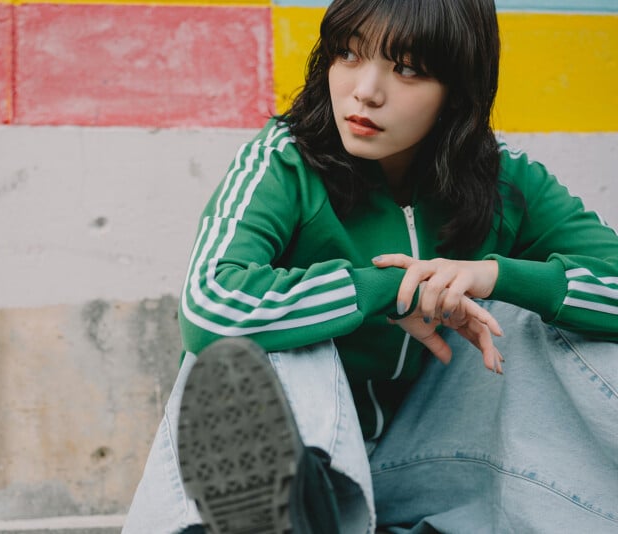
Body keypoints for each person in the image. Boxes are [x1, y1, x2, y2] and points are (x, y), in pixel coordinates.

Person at [123, 0, 618, 531]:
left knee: (541, 316)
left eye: (406, 69)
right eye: (349, 54)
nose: (365, 91)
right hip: (313, 444)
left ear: (457, 90)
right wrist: (387, 291)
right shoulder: (287, 160)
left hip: (424, 457)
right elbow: (209, 306)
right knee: (272, 336)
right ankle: (294, 504)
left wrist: (495, 276)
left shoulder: (505, 180)